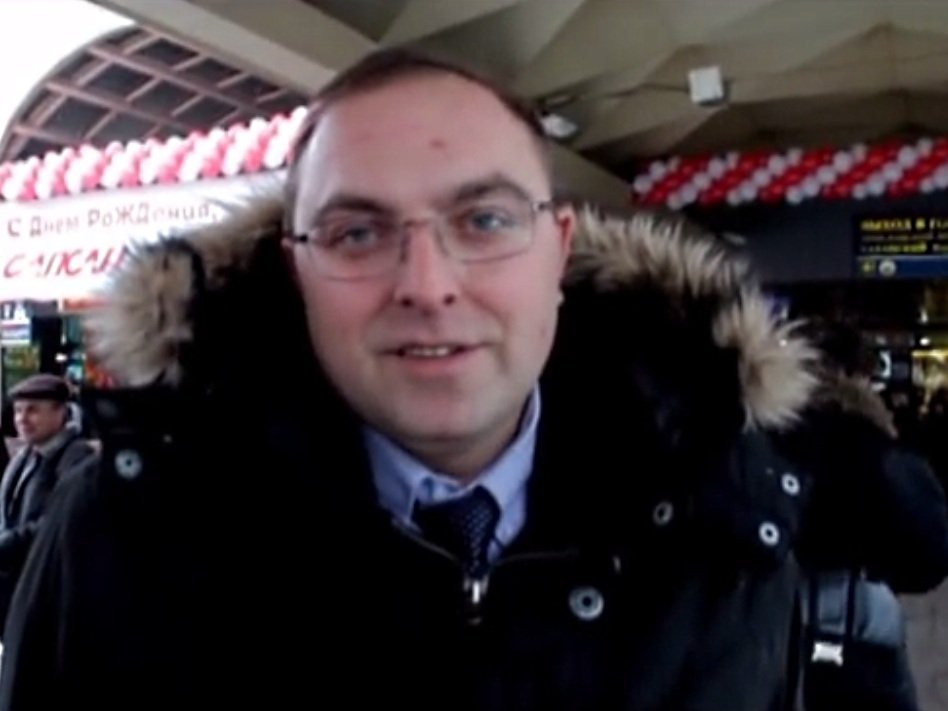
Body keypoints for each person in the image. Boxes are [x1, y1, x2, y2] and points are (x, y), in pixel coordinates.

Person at [0, 49, 820, 710]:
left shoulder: (725, 531)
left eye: (485, 220)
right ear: (296, 268)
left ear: (559, 249)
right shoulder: (125, 533)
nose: (427, 286)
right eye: (357, 233)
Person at [779, 322, 948, 711]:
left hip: (765, 628)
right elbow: (930, 548)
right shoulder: (867, 439)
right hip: (856, 625)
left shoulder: (761, 432)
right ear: (858, 375)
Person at [0, 374, 94, 636]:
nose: (22, 419)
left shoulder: (76, 458)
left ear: (59, 411)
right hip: (17, 584)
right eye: (18, 411)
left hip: (48, 590)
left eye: (32, 410)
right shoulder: (26, 456)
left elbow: (58, 519)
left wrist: (7, 544)